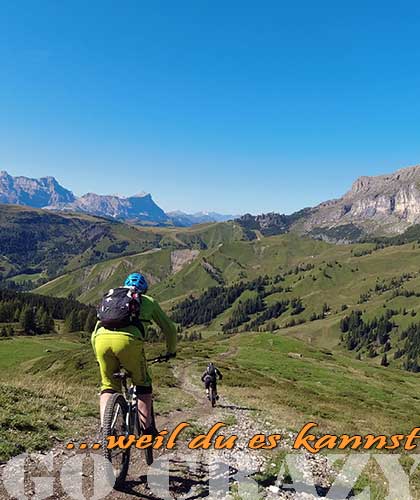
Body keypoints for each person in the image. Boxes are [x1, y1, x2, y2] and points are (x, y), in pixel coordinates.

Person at [91, 272, 177, 434]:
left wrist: (98, 355)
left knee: (108, 386)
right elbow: (170, 329)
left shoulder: (110, 299)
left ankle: (106, 429)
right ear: (143, 290)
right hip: (128, 343)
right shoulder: (148, 301)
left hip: (101, 340)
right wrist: (170, 351)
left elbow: (95, 331)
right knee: (143, 385)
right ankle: (147, 430)